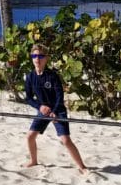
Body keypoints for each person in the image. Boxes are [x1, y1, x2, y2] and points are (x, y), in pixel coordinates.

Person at [23, 44, 88, 174]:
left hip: (58, 109)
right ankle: (34, 160)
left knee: (65, 140)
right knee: (30, 136)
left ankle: (82, 167)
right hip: (43, 110)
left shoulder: (52, 76)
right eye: (34, 56)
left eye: (40, 56)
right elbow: (29, 98)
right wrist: (40, 107)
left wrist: (54, 111)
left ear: (46, 58)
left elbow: (60, 96)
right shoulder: (30, 77)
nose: (37, 59)